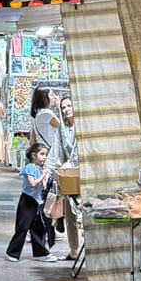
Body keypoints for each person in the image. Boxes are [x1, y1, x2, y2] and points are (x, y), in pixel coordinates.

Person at [5, 143, 58, 262]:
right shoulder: (29, 167)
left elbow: (43, 186)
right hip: (28, 201)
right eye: (42, 154)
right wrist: (44, 175)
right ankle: (12, 252)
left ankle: (41, 253)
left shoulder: (39, 168)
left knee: (38, 228)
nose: (44, 157)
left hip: (36, 202)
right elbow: (33, 184)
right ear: (33, 155)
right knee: (23, 227)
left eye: (45, 155)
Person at [29, 86, 61, 249]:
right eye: (51, 95)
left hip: (44, 162)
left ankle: (43, 231)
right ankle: (45, 233)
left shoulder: (38, 115)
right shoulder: (47, 114)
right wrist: (60, 108)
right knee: (47, 200)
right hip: (50, 161)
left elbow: (32, 141)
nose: (54, 97)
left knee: (44, 198)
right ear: (44, 98)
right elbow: (63, 127)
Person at [57, 95, 80, 262]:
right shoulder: (62, 128)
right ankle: (74, 250)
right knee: (69, 212)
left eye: (69, 106)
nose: (66, 109)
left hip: (83, 172)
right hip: (68, 174)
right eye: (63, 107)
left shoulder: (82, 125)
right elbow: (59, 149)